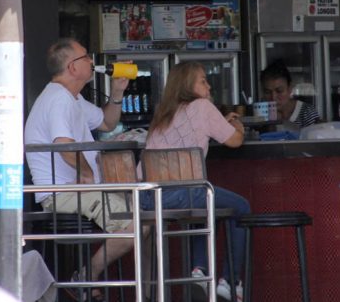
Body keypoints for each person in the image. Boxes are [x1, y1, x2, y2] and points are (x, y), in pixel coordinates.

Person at [25, 38, 145, 302]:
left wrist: (117, 92)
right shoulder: (59, 99)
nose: (92, 61)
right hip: (62, 193)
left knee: (146, 216)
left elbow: (107, 122)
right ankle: (86, 276)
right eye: (86, 57)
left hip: (75, 191)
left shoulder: (73, 98)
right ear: (72, 67)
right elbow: (64, 145)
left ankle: (124, 286)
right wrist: (88, 176)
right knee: (136, 224)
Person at [141, 61, 249, 302]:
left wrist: (219, 121)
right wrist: (237, 125)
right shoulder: (203, 106)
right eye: (203, 81)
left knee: (204, 206)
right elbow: (234, 141)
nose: (209, 86)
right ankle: (230, 283)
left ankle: (199, 272)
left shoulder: (163, 114)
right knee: (240, 206)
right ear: (188, 85)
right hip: (182, 194)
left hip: (149, 197)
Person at [260, 59, 320, 127]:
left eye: (279, 91)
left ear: (290, 89)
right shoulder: (261, 113)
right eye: (267, 92)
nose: (273, 97)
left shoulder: (307, 113)